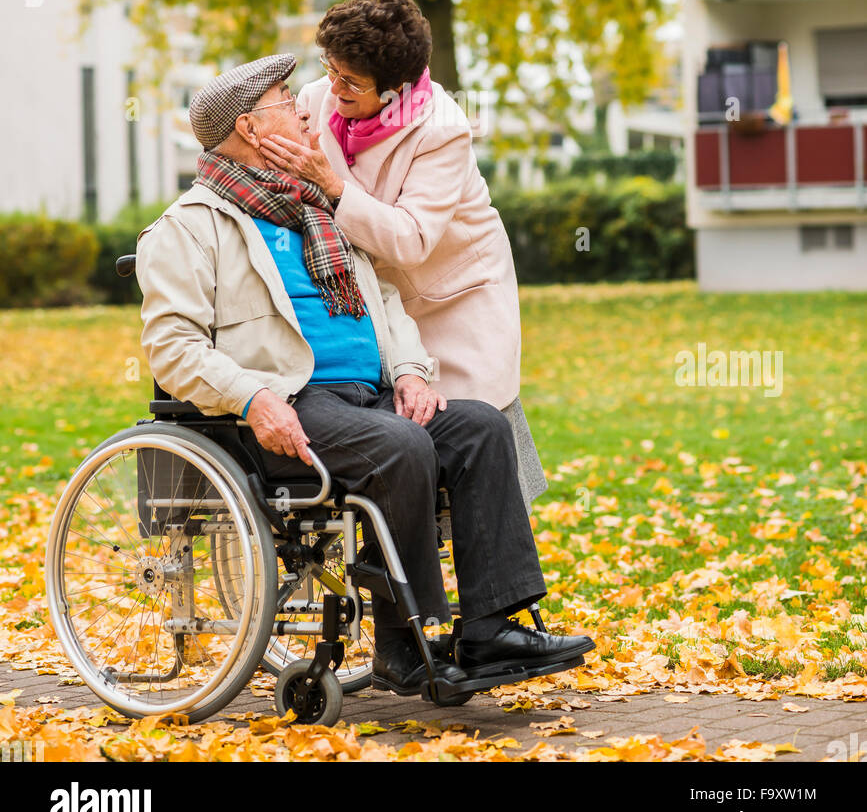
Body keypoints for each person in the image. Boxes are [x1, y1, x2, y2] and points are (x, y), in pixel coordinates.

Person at [135, 53, 594, 697]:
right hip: (290, 404)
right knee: (403, 446)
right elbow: (173, 348)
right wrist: (254, 396)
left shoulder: (318, 211)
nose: (304, 108)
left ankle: (491, 628)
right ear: (248, 128)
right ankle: (404, 643)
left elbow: (387, 305)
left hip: (370, 396)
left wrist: (409, 371)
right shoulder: (189, 229)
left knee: (479, 427)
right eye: (285, 101)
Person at [258, 0, 547, 511]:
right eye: (330, 68)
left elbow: (411, 239)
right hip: (374, 295)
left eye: (351, 82)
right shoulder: (320, 97)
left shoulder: (441, 130)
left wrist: (333, 183)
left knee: (475, 425)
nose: (333, 86)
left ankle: (496, 559)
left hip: (450, 296)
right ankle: (403, 571)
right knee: (398, 434)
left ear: (396, 88)